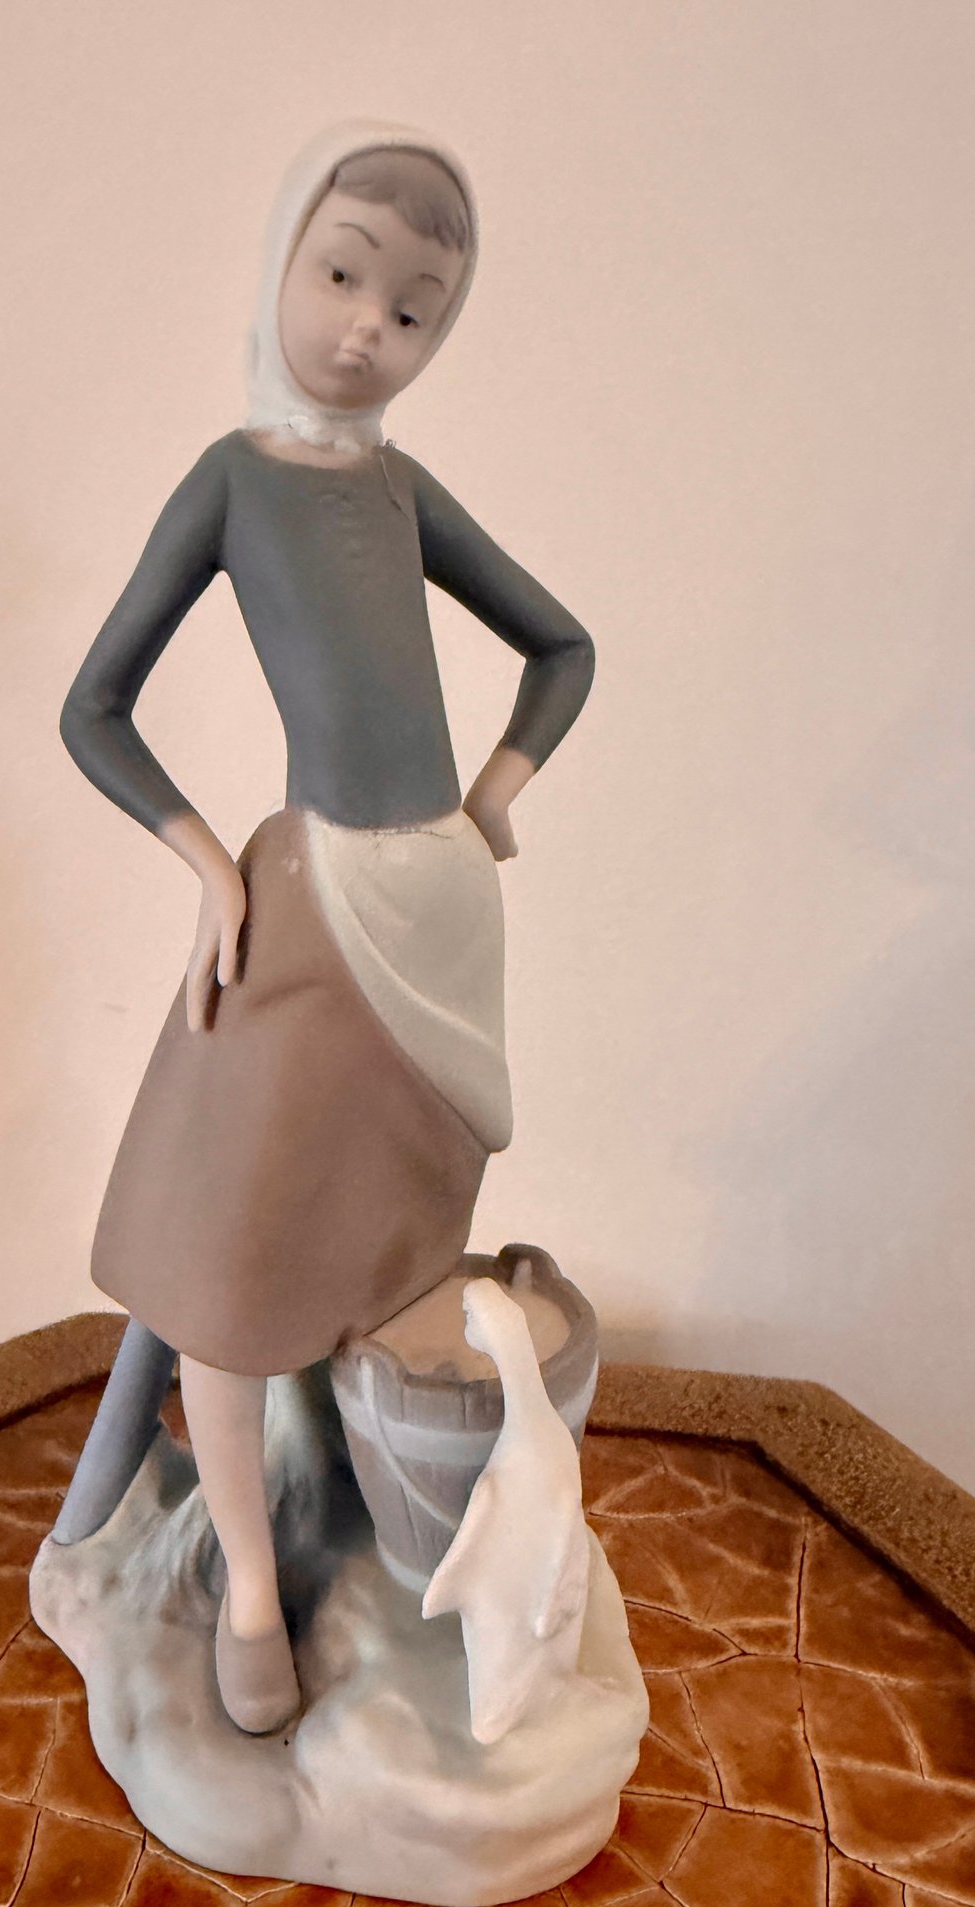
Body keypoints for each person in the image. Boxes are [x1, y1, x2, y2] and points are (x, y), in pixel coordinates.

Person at [52, 118, 595, 1735]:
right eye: (344, 276)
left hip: (439, 918)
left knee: (387, 1251)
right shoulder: (233, 481)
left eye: (415, 308)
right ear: (284, 257)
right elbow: (93, 707)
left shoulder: (401, 489)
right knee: (221, 1266)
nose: (368, 328)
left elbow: (563, 646)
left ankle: (368, 1521)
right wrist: (206, 864)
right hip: (305, 905)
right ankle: (245, 1585)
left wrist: (497, 793)